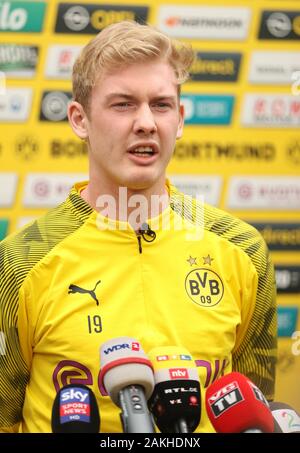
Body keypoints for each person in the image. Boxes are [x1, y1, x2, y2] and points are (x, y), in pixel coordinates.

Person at [0, 20, 277, 433]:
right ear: (79, 119)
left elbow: (255, 407)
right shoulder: (19, 262)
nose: (146, 122)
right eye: (123, 104)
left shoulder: (243, 249)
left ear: (180, 120)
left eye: (161, 105)